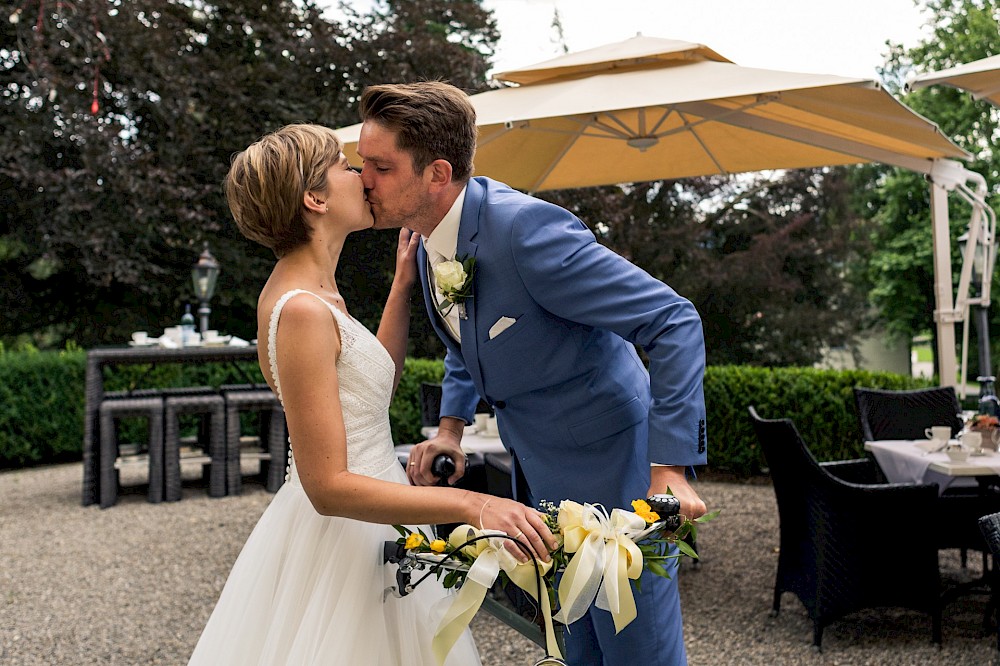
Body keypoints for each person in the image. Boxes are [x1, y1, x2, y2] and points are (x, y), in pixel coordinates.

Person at [356, 81, 709, 665]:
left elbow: (674, 320)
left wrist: (668, 468)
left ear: (437, 174)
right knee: (580, 647)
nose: (363, 179)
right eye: (361, 163)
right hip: (541, 471)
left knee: (638, 648)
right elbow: (470, 339)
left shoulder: (527, 231)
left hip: (617, 469)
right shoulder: (425, 244)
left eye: (381, 166)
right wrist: (449, 428)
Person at [188, 123, 556, 665]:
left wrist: (402, 286)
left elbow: (367, 388)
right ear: (315, 198)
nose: (360, 174)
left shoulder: (313, 292)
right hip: (345, 530)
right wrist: (474, 503)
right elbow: (328, 486)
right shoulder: (302, 310)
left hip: (382, 507)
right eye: (343, 165)